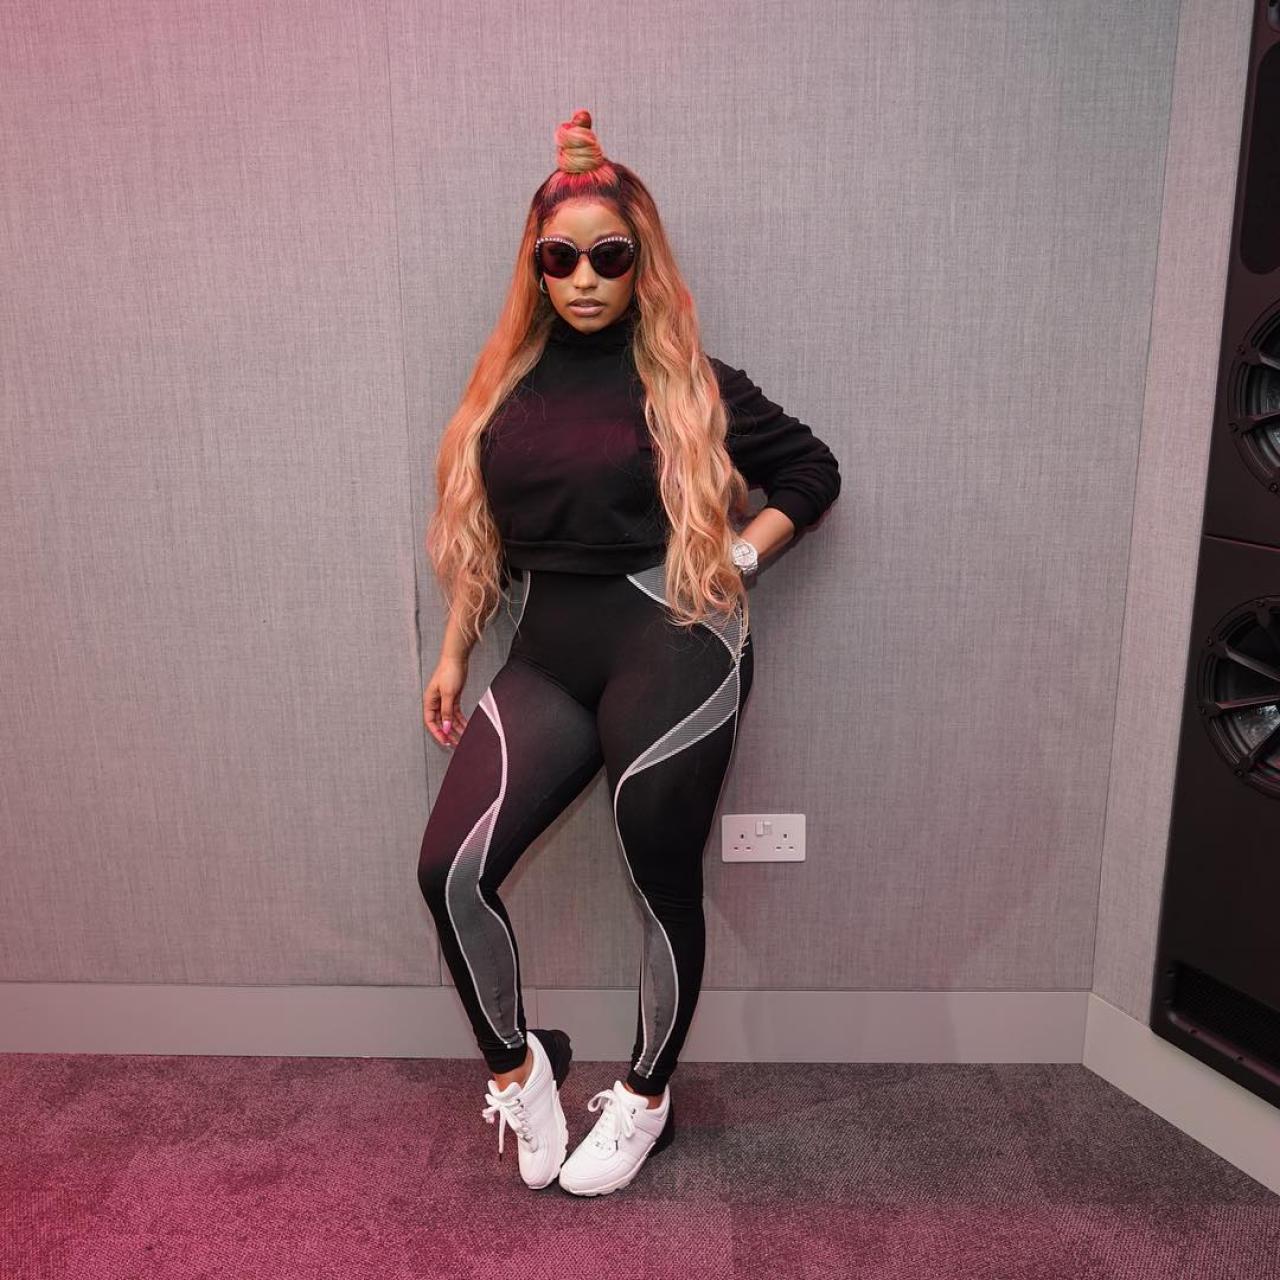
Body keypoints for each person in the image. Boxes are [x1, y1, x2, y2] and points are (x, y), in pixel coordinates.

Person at [416, 108, 840, 1198]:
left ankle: (647, 1094)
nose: (585, 278)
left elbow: (812, 472)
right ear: (535, 268)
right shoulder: (503, 389)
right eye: (560, 259)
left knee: (658, 877)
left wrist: (736, 559)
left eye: (609, 255)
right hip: (548, 657)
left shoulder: (692, 383)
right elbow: (481, 542)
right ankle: (522, 1069)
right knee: (448, 869)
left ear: (639, 259)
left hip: (675, 649)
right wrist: (455, 652)